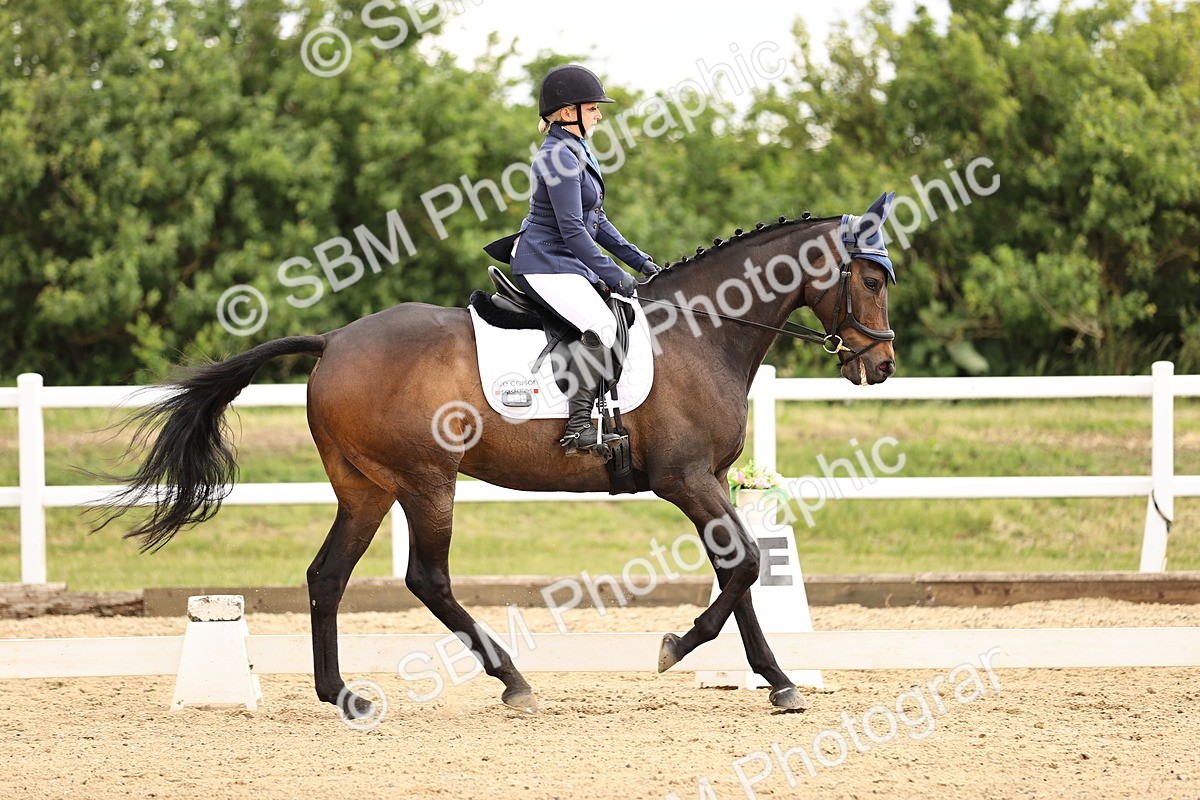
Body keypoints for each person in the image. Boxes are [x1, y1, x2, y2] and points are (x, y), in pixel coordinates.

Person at [486, 64, 661, 456]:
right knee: (600, 324)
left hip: (563, 259)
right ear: (568, 113)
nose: (599, 114)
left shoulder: (576, 151)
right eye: (593, 107)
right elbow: (571, 230)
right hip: (543, 260)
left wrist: (641, 262)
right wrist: (614, 274)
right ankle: (578, 428)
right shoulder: (559, 158)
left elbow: (596, 221)